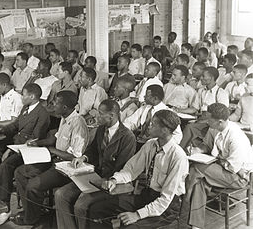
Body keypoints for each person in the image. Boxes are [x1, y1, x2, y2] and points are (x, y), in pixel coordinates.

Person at [89, 110, 188, 229]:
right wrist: (115, 180)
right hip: (147, 196)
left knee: (130, 226)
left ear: (165, 130)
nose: (148, 127)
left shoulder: (178, 157)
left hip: (166, 208)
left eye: (153, 124)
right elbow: (131, 169)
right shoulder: (150, 145)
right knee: (98, 208)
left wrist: (137, 214)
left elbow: (165, 199)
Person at [54, 99, 136, 229]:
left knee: (81, 205)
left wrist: (107, 180)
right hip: (95, 176)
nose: (97, 116)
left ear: (112, 116)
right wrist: (83, 158)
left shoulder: (127, 137)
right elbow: (92, 150)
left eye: (101, 113)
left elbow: (123, 167)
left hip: (113, 182)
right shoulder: (101, 129)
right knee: (60, 195)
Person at [12, 91, 90, 227]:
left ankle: (32, 218)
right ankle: (34, 211)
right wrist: (38, 143)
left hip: (67, 168)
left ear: (64, 107)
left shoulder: (78, 123)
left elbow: (75, 156)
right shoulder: (64, 118)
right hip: (54, 160)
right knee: (20, 172)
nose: (53, 105)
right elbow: (55, 137)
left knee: (33, 185)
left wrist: (50, 150)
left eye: (56, 103)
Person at [179, 103, 253, 229]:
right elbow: (206, 146)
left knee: (196, 168)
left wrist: (215, 159)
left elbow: (232, 167)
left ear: (219, 122)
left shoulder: (235, 137)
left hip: (239, 177)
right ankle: (196, 225)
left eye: (209, 120)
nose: (206, 122)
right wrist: (198, 150)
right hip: (224, 168)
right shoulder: (215, 128)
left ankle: (183, 202)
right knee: (199, 183)